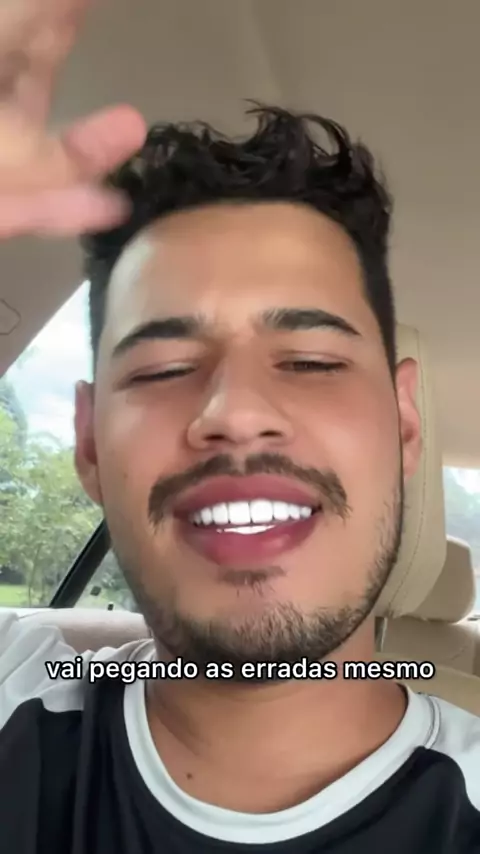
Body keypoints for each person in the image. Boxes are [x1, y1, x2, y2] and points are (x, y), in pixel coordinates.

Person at [0, 2, 478, 852]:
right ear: (89, 444)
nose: (234, 412)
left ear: (405, 424)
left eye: (312, 360)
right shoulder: (17, 694)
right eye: (161, 369)